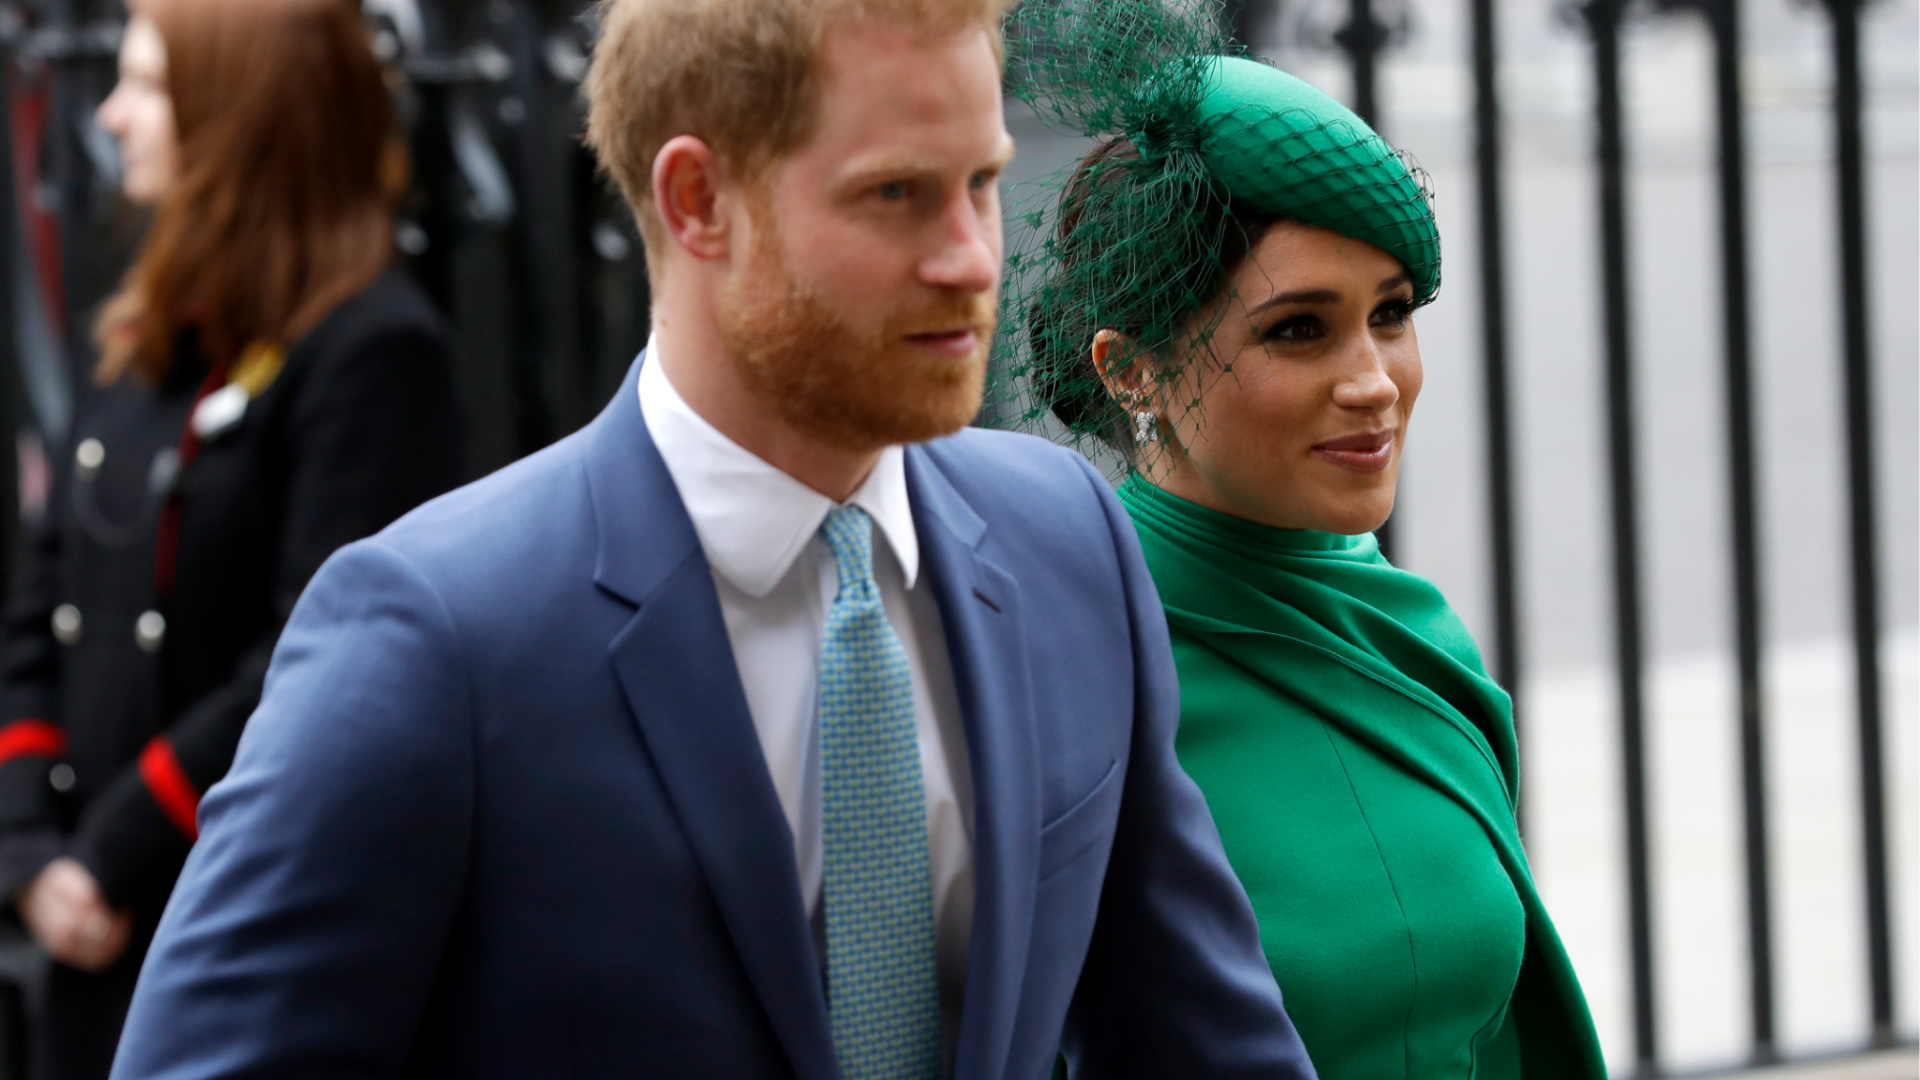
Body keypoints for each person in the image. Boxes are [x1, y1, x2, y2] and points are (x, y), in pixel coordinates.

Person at [109, 0, 1317, 1077]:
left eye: (983, 183)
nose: (971, 258)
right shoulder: (434, 634)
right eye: (895, 193)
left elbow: (1205, 1037)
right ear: (698, 201)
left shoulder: (1069, 545)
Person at [999, 5, 1606, 1076]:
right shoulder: (1064, 668)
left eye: (1392, 313)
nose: (1374, 382)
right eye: (1298, 329)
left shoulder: (1410, 630)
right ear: (1130, 368)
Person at [0, 0, 460, 1075]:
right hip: (80, 926)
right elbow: (42, 596)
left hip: (221, 924)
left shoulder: (375, 352)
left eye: (148, 85)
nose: (110, 116)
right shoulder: (153, 333)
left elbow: (321, 654)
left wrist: (114, 852)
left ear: (243, 114)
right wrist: (26, 843)